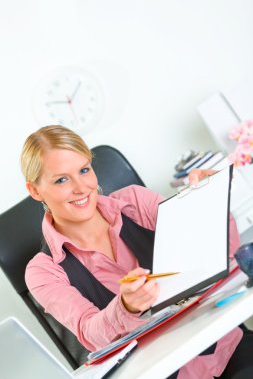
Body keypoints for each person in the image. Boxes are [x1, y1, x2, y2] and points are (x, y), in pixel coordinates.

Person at [21, 125, 253, 378]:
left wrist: (209, 203)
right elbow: (90, 333)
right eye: (61, 179)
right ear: (35, 190)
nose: (81, 187)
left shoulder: (136, 202)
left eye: (84, 170)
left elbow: (219, 258)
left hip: (224, 347)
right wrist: (126, 307)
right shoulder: (43, 271)